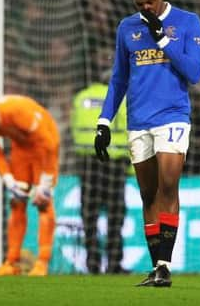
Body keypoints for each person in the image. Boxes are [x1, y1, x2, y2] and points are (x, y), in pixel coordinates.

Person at [94, 0, 200, 287]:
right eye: (138, 3)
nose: (144, 8)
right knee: (147, 194)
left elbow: (194, 72)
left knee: (168, 186)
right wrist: (104, 121)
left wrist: (163, 40)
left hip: (172, 115)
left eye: (149, 2)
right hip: (138, 120)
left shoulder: (187, 22)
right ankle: (157, 266)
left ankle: (165, 266)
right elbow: (119, 78)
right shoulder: (126, 28)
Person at [0, 95, 59, 276]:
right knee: (16, 201)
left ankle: (42, 263)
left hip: (45, 149)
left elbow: (49, 144)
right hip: (21, 150)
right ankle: (11, 262)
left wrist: (45, 184)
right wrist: (9, 180)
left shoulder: (19, 111)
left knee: (43, 203)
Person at [71, 82, 129, 274]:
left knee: (89, 216)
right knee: (115, 216)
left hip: (88, 163)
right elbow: (130, 127)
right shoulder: (120, 97)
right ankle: (114, 264)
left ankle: (92, 263)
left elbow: (74, 128)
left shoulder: (81, 97)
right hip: (114, 163)